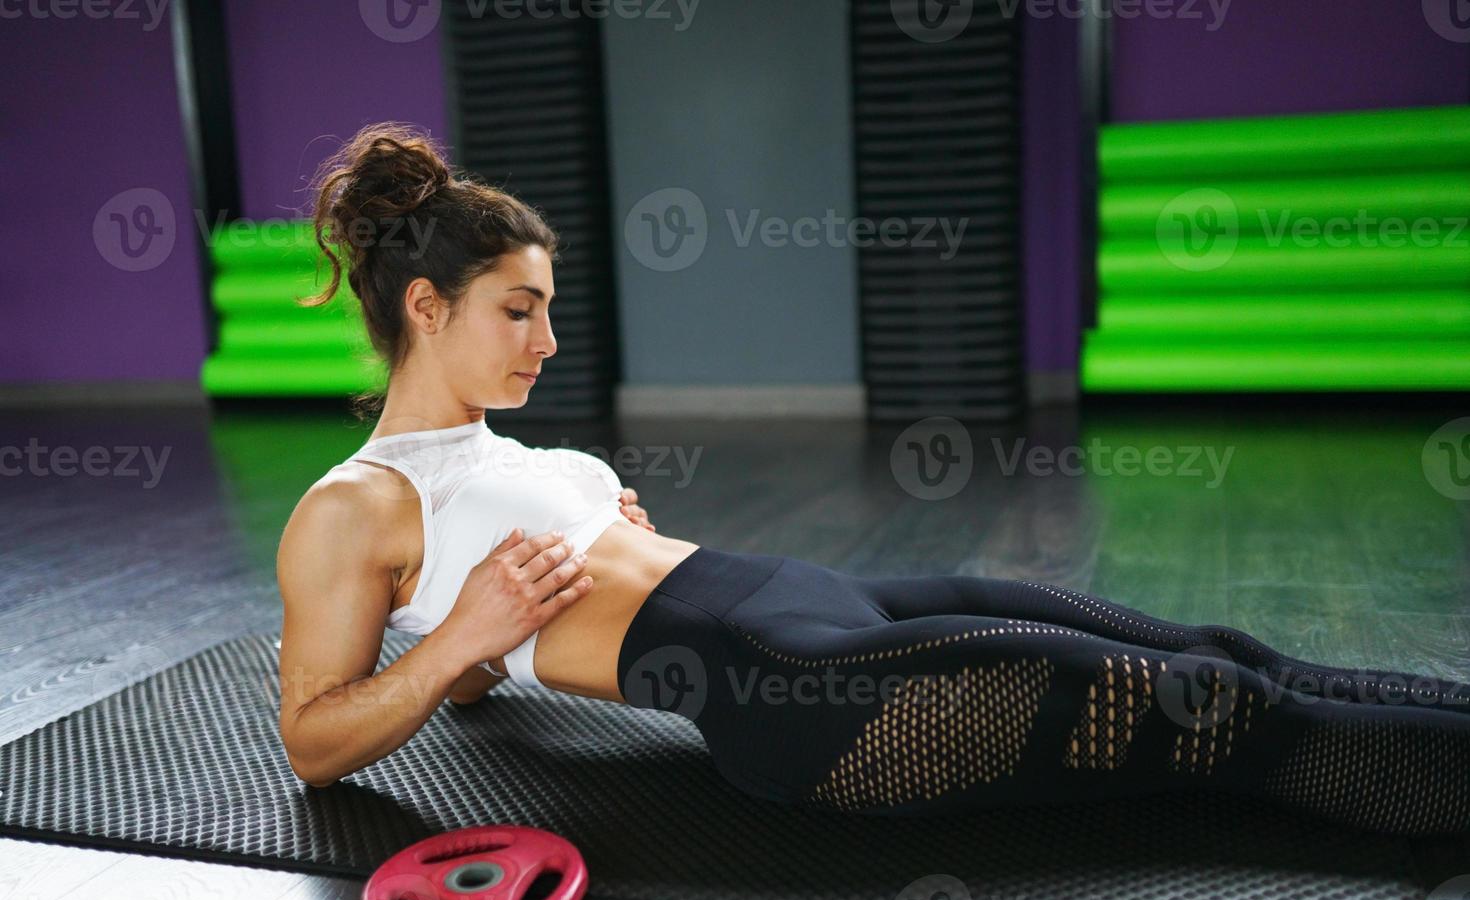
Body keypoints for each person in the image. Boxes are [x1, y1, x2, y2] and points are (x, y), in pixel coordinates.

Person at [276, 123, 1470, 838]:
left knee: (1222, 650)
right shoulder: (351, 506)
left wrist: (490, 628)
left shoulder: (508, 452)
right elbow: (312, 739)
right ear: (427, 308)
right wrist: (456, 639)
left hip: (826, 596)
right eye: (518, 311)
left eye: (548, 311)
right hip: (802, 689)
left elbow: (482, 676)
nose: (545, 342)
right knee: (1226, 718)